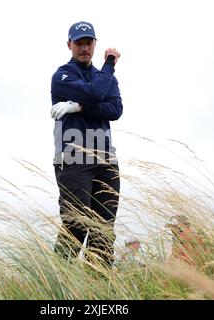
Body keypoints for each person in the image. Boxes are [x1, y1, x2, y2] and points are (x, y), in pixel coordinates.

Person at [50, 21, 123, 267]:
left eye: (88, 43)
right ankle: (56, 285)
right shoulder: (62, 75)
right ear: (69, 44)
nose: (84, 48)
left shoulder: (104, 77)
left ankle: (100, 290)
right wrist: (110, 63)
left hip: (105, 160)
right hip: (73, 158)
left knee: (103, 231)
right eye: (78, 43)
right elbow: (94, 93)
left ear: (95, 44)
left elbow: (115, 109)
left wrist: (79, 106)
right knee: (77, 225)